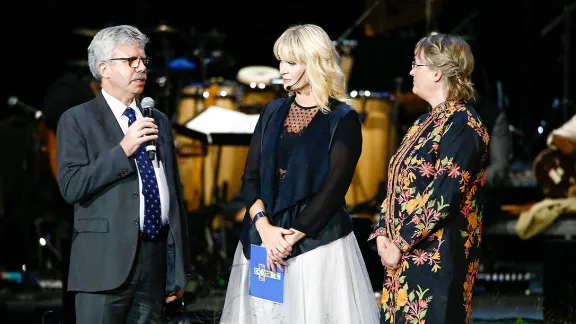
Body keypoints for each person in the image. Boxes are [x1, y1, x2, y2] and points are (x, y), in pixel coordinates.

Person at [220, 24, 379, 323]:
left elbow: (333, 189)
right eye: (281, 61)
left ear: (316, 62)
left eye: (291, 62)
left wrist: (291, 238)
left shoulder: (342, 119)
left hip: (314, 242)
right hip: (264, 239)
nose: (282, 69)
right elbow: (250, 177)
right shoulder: (272, 111)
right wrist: (265, 229)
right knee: (267, 315)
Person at [55, 25, 190, 323]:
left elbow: (174, 197)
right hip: (104, 267)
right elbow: (71, 186)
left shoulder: (158, 120)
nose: (141, 68)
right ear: (104, 69)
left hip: (153, 264)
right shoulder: (77, 120)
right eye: (131, 61)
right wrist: (123, 149)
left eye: (143, 61)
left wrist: (177, 266)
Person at [368, 34, 489, 323]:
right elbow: (396, 185)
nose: (410, 71)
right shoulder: (422, 123)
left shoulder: (463, 124)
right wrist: (383, 233)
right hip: (401, 259)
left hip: (436, 258)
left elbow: (443, 197)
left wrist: (399, 244)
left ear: (437, 72)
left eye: (416, 64)